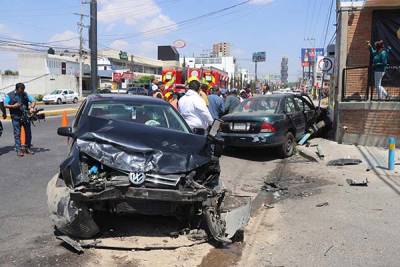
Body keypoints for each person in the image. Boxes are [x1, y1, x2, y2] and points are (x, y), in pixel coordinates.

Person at [4, 83, 36, 157]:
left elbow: (33, 101)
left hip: (25, 116)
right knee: (17, 134)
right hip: (15, 117)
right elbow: (5, 104)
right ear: (16, 89)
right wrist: (13, 106)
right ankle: (19, 150)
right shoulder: (10, 95)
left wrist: (31, 107)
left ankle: (27, 148)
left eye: (23, 90)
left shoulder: (25, 94)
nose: (22, 92)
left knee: (28, 133)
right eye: (21, 90)